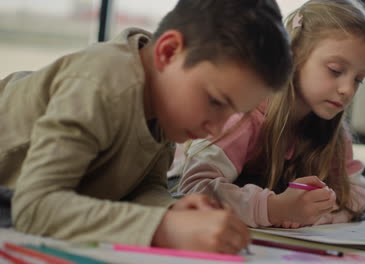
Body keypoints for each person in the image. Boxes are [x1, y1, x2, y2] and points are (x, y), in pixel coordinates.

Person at [0, 0, 293, 253]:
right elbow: (34, 206)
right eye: (215, 101)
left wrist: (171, 209)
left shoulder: (167, 107)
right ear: (168, 52)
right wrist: (163, 228)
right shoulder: (102, 84)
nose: (216, 129)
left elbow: (143, 185)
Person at [175, 0, 365, 228]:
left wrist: (320, 214)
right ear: (294, 56)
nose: (348, 90)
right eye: (335, 70)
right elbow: (192, 189)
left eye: (358, 80)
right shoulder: (245, 116)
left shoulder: (334, 134)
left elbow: (355, 194)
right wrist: (275, 209)